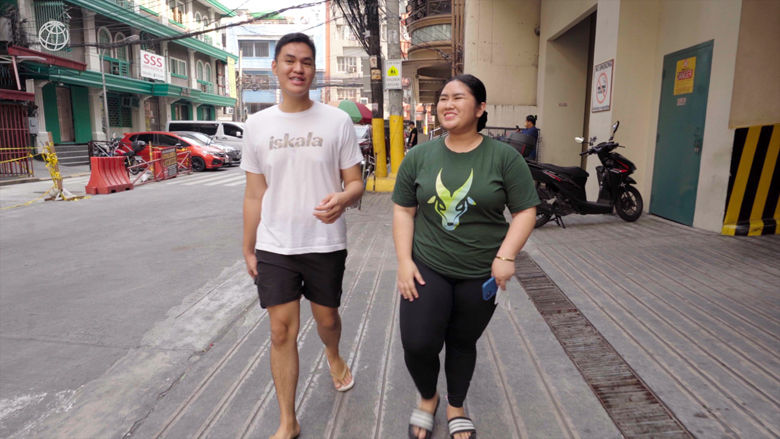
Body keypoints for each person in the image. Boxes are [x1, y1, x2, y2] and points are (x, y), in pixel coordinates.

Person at [392, 74, 539, 439]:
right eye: (443, 98)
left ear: (480, 108)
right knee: (418, 342)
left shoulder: (504, 157)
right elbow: (402, 210)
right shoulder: (420, 156)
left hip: (479, 271)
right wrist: (404, 261)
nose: (448, 104)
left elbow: (525, 211)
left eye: (458, 97)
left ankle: (456, 405)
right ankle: (429, 397)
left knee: (461, 342)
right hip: (428, 265)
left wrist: (506, 256)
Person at [241, 33, 364, 439]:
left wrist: (343, 198)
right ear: (275, 67)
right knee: (280, 331)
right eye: (290, 60)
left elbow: (356, 182)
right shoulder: (257, 125)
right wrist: (248, 247)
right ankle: (288, 422)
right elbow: (255, 192)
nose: (298, 68)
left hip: (325, 242)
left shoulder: (337, 121)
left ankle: (333, 354)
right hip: (275, 244)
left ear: (314, 70)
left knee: (326, 318)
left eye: (307, 62)